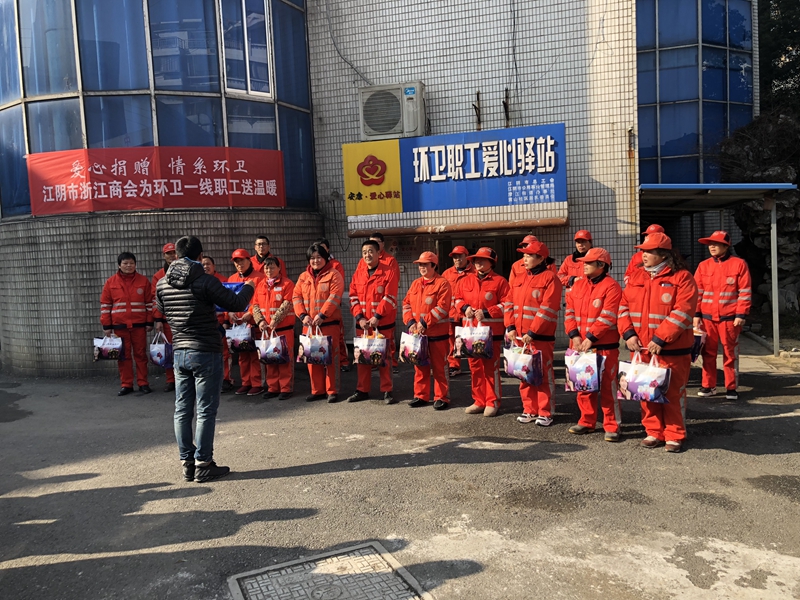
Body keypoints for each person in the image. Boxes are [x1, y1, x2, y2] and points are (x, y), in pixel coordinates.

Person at [155, 236, 256, 483]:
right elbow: (236, 302)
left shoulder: (162, 283)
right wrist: (249, 287)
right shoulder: (205, 281)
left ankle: (187, 463)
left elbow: (163, 310)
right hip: (205, 350)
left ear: (177, 255)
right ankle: (203, 463)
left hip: (180, 350)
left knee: (182, 409)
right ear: (200, 256)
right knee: (205, 410)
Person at [618, 232, 698, 453]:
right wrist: (628, 334)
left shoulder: (682, 278)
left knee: (672, 393)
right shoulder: (636, 277)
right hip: (642, 348)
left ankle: (674, 435)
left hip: (672, 349)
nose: (643, 255)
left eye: (649, 251)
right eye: (642, 251)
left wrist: (661, 338)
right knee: (646, 392)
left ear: (664, 254)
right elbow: (623, 307)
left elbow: (683, 311)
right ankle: (653, 431)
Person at [564, 247, 623, 441]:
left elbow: (609, 316)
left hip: (604, 346)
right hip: (581, 346)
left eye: (588, 262)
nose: (584, 265)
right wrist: (574, 335)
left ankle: (612, 425)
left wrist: (590, 338)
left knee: (608, 387)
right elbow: (569, 313)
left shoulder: (612, 286)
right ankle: (586, 421)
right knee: (583, 385)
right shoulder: (577, 286)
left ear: (601, 265)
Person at [506, 240, 562, 426]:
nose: (525, 258)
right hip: (521, 337)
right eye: (524, 255)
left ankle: (545, 412)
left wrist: (533, 331)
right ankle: (529, 409)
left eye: (529, 255)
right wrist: (510, 327)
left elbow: (548, 309)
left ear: (541, 258)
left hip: (540, 337)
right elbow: (509, 303)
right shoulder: (519, 278)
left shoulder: (550, 278)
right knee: (524, 374)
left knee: (543, 374)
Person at [693, 230, 752, 400]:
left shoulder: (739, 264)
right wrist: (696, 314)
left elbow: (745, 291)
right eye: (710, 244)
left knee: (730, 353)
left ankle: (731, 388)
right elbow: (697, 292)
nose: (712, 247)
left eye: (716, 244)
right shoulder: (703, 266)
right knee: (707, 353)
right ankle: (708, 386)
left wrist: (741, 314)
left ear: (726, 246)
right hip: (707, 318)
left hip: (730, 318)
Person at [454, 247, 511, 417]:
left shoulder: (500, 282)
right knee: (475, 368)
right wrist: (464, 308)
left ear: (491, 262)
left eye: (482, 259)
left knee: (490, 368)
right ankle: (479, 401)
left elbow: (507, 304)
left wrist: (487, 312)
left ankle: (492, 401)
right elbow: (457, 299)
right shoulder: (465, 281)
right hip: (470, 333)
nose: (477, 262)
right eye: (476, 260)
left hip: (491, 333)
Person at [346, 239, 399, 404]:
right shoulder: (358, 273)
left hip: (382, 324)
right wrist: (359, 317)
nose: (367, 255)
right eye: (364, 252)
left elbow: (390, 298)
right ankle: (362, 390)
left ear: (378, 253)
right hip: (363, 325)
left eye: (370, 251)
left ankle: (387, 390)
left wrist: (377, 316)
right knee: (362, 359)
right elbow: (353, 297)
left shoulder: (388, 272)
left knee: (384, 359)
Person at [293, 242, 345, 402]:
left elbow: (335, 296)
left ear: (326, 258)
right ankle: (317, 390)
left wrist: (323, 315)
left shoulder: (334, 274)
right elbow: (296, 297)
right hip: (309, 326)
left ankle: (332, 390)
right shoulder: (303, 277)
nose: (315, 261)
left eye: (319, 257)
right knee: (312, 359)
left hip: (328, 324)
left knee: (331, 359)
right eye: (312, 258)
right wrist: (303, 315)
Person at [402, 251, 452, 409]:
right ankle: (420, 396)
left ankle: (442, 397)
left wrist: (425, 322)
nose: (422, 267)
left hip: (438, 334)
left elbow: (443, 307)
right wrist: (410, 321)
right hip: (418, 334)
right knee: (419, 366)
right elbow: (406, 304)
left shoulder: (442, 283)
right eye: (420, 265)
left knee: (439, 367)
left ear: (434, 265)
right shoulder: (416, 283)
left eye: (425, 264)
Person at [100, 252, 154, 396]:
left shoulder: (143, 281)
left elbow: (150, 303)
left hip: (139, 325)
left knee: (141, 355)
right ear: (119, 265)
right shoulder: (110, 282)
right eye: (125, 263)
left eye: (131, 263)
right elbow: (105, 305)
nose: (128, 266)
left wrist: (150, 321)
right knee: (123, 356)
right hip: (119, 325)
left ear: (135, 265)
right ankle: (126, 384)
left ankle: (143, 383)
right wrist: (107, 325)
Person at [251, 256, 296, 400]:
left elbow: (287, 303)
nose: (269, 270)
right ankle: (273, 388)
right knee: (269, 359)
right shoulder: (260, 285)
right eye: (266, 267)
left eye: (272, 267)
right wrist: (260, 321)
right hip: (267, 330)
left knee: (284, 360)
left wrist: (275, 320)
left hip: (283, 328)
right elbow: (255, 305)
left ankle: (286, 388)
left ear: (279, 268)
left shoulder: (287, 284)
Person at [227, 249, 265, 396]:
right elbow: (226, 299)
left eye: (242, 260)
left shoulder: (259, 278)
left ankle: (257, 383)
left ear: (249, 260)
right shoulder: (232, 279)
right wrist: (229, 313)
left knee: (254, 354)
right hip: (238, 324)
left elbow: (261, 300)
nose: (239, 264)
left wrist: (250, 314)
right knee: (242, 354)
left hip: (253, 322)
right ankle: (246, 382)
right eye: (236, 262)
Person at [316, 237, 351, 373]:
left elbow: (337, 289)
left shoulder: (335, 265)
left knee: (338, 336)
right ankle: (320, 360)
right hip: (316, 312)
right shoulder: (311, 269)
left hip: (332, 308)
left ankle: (343, 360)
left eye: (323, 248)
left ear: (328, 249)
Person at [202, 256, 234, 392]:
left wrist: (226, 320)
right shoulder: (198, 281)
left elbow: (228, 302)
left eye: (208, 264)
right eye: (203, 264)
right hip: (204, 324)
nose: (205, 267)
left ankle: (225, 379)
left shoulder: (223, 281)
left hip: (220, 323)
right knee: (206, 353)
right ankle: (209, 380)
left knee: (224, 353)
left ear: (214, 266)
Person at [370, 232, 401, 372]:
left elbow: (394, 283)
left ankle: (391, 362)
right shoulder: (364, 261)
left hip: (387, 306)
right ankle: (375, 360)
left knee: (388, 337)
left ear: (382, 244)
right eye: (371, 242)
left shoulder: (390, 261)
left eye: (377, 242)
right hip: (370, 308)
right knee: (372, 336)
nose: (374, 245)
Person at [442, 245, 475, 377]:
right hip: (451, 313)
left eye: (460, 256)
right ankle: (454, 365)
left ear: (467, 257)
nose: (457, 259)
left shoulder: (474, 272)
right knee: (452, 340)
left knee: (470, 339)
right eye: (455, 257)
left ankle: (475, 366)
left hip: (467, 313)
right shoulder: (447, 273)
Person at [151, 243, 177, 392]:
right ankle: (171, 380)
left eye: (174, 252)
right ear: (164, 255)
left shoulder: (185, 271)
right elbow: (155, 299)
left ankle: (185, 379)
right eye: (169, 253)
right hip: (167, 321)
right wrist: (158, 319)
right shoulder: (158, 276)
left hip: (183, 319)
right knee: (168, 350)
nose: (172, 255)